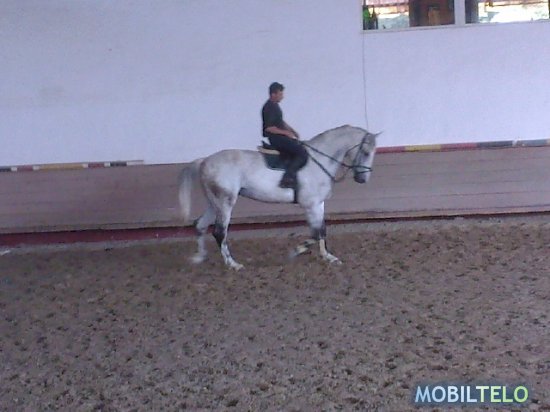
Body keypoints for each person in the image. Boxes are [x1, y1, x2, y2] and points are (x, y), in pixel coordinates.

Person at [261, 82, 308, 189]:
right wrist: (286, 133)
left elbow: (280, 121)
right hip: (276, 138)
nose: (282, 96)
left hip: (280, 136)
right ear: (273, 94)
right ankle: (287, 177)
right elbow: (269, 128)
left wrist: (292, 130)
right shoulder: (268, 107)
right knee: (302, 154)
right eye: (280, 94)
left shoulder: (275, 106)